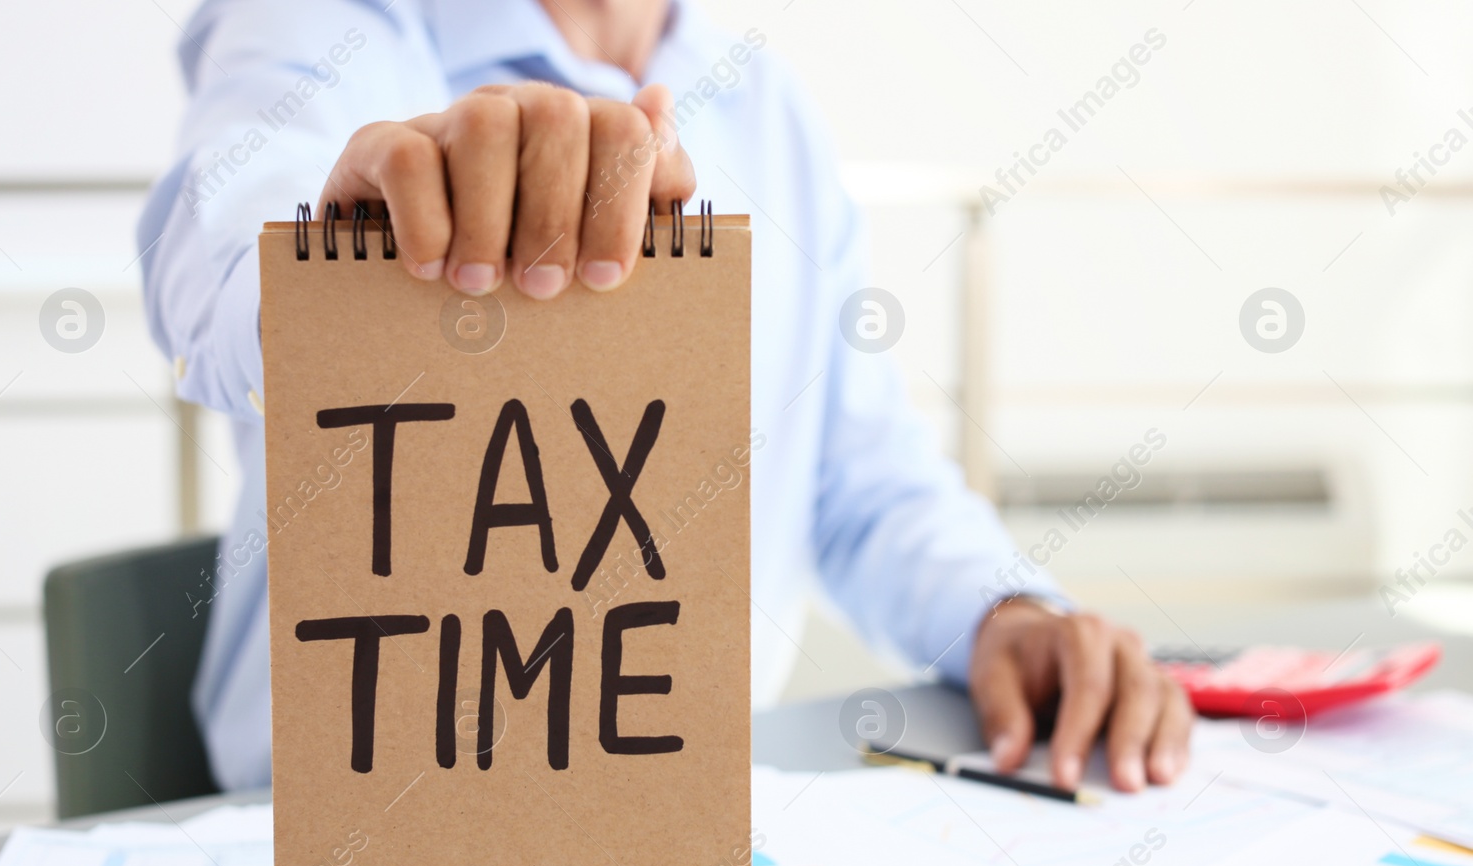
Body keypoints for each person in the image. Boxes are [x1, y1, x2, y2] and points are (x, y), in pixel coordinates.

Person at [140, 0, 1194, 795]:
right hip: (332, 840)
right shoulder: (319, 25)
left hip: (668, 822)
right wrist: (337, 257)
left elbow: (857, 478)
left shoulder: (763, 104)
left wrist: (1000, 612)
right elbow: (213, 265)